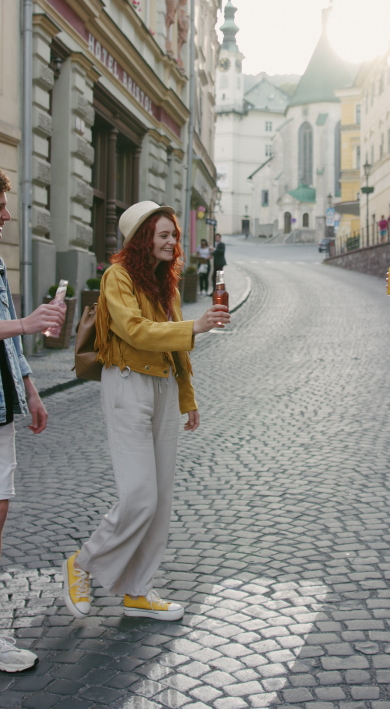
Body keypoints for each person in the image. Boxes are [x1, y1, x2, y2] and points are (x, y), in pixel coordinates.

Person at [62, 201, 230, 623]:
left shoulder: (166, 285)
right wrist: (196, 326)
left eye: (174, 235)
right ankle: (82, 563)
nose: (173, 242)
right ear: (142, 240)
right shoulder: (116, 277)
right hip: (127, 386)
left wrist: (186, 397)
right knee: (139, 496)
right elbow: (134, 329)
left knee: (160, 501)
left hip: (163, 389)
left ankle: (138, 590)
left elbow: (174, 349)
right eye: (163, 235)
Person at [0, 169, 65, 671]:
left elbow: (13, 341)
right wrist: (26, 322)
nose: (6, 213)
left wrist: (30, 387)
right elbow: (15, 326)